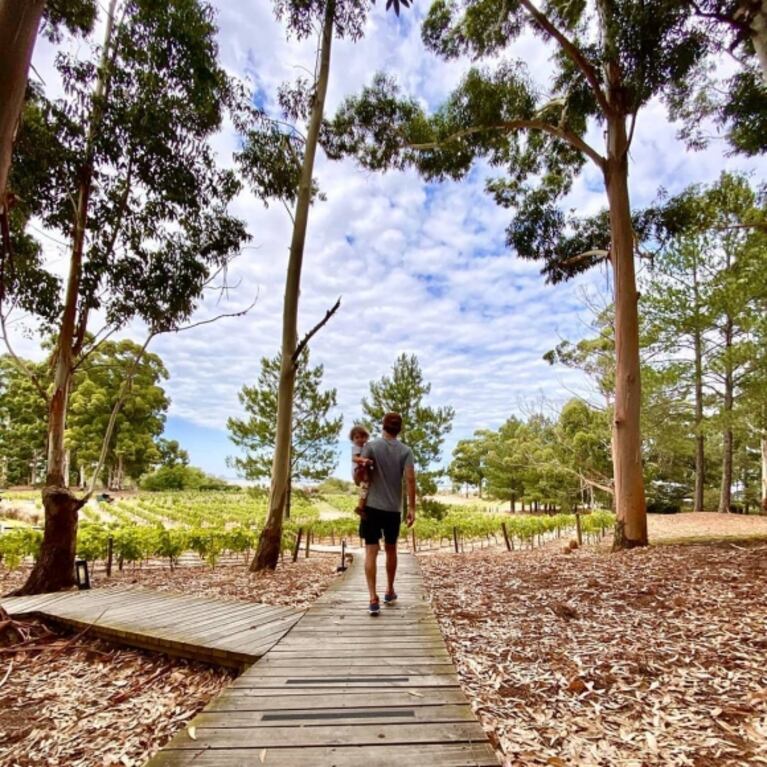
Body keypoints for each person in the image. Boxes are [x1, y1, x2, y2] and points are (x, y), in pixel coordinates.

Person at [359, 412, 416, 616]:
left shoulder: (371, 446)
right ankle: (389, 590)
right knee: (391, 549)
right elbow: (410, 480)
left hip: (372, 507)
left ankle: (372, 598)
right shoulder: (406, 451)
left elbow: (360, 475)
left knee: (371, 551)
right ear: (399, 429)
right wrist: (411, 508)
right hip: (393, 509)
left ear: (382, 426)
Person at [349, 425, 373, 516]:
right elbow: (354, 458)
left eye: (362, 437)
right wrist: (364, 460)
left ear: (366, 438)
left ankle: (361, 506)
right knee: (365, 486)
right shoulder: (355, 448)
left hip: (361, 471)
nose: (359, 439)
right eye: (356, 437)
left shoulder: (365, 448)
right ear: (353, 439)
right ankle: (360, 507)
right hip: (358, 471)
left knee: (365, 488)